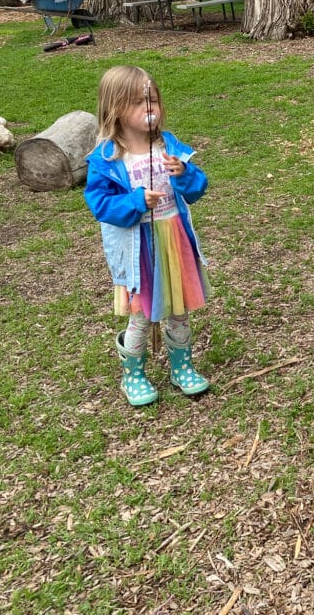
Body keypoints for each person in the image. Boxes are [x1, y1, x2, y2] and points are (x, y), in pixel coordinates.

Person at [85, 66, 212, 407]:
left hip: (173, 241)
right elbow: (100, 205)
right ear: (115, 109)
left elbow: (198, 187)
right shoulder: (108, 158)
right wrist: (136, 201)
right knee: (141, 314)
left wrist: (184, 173)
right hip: (139, 247)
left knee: (179, 308)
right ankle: (133, 374)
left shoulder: (168, 144)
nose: (149, 108)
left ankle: (181, 367)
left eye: (152, 100)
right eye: (139, 103)